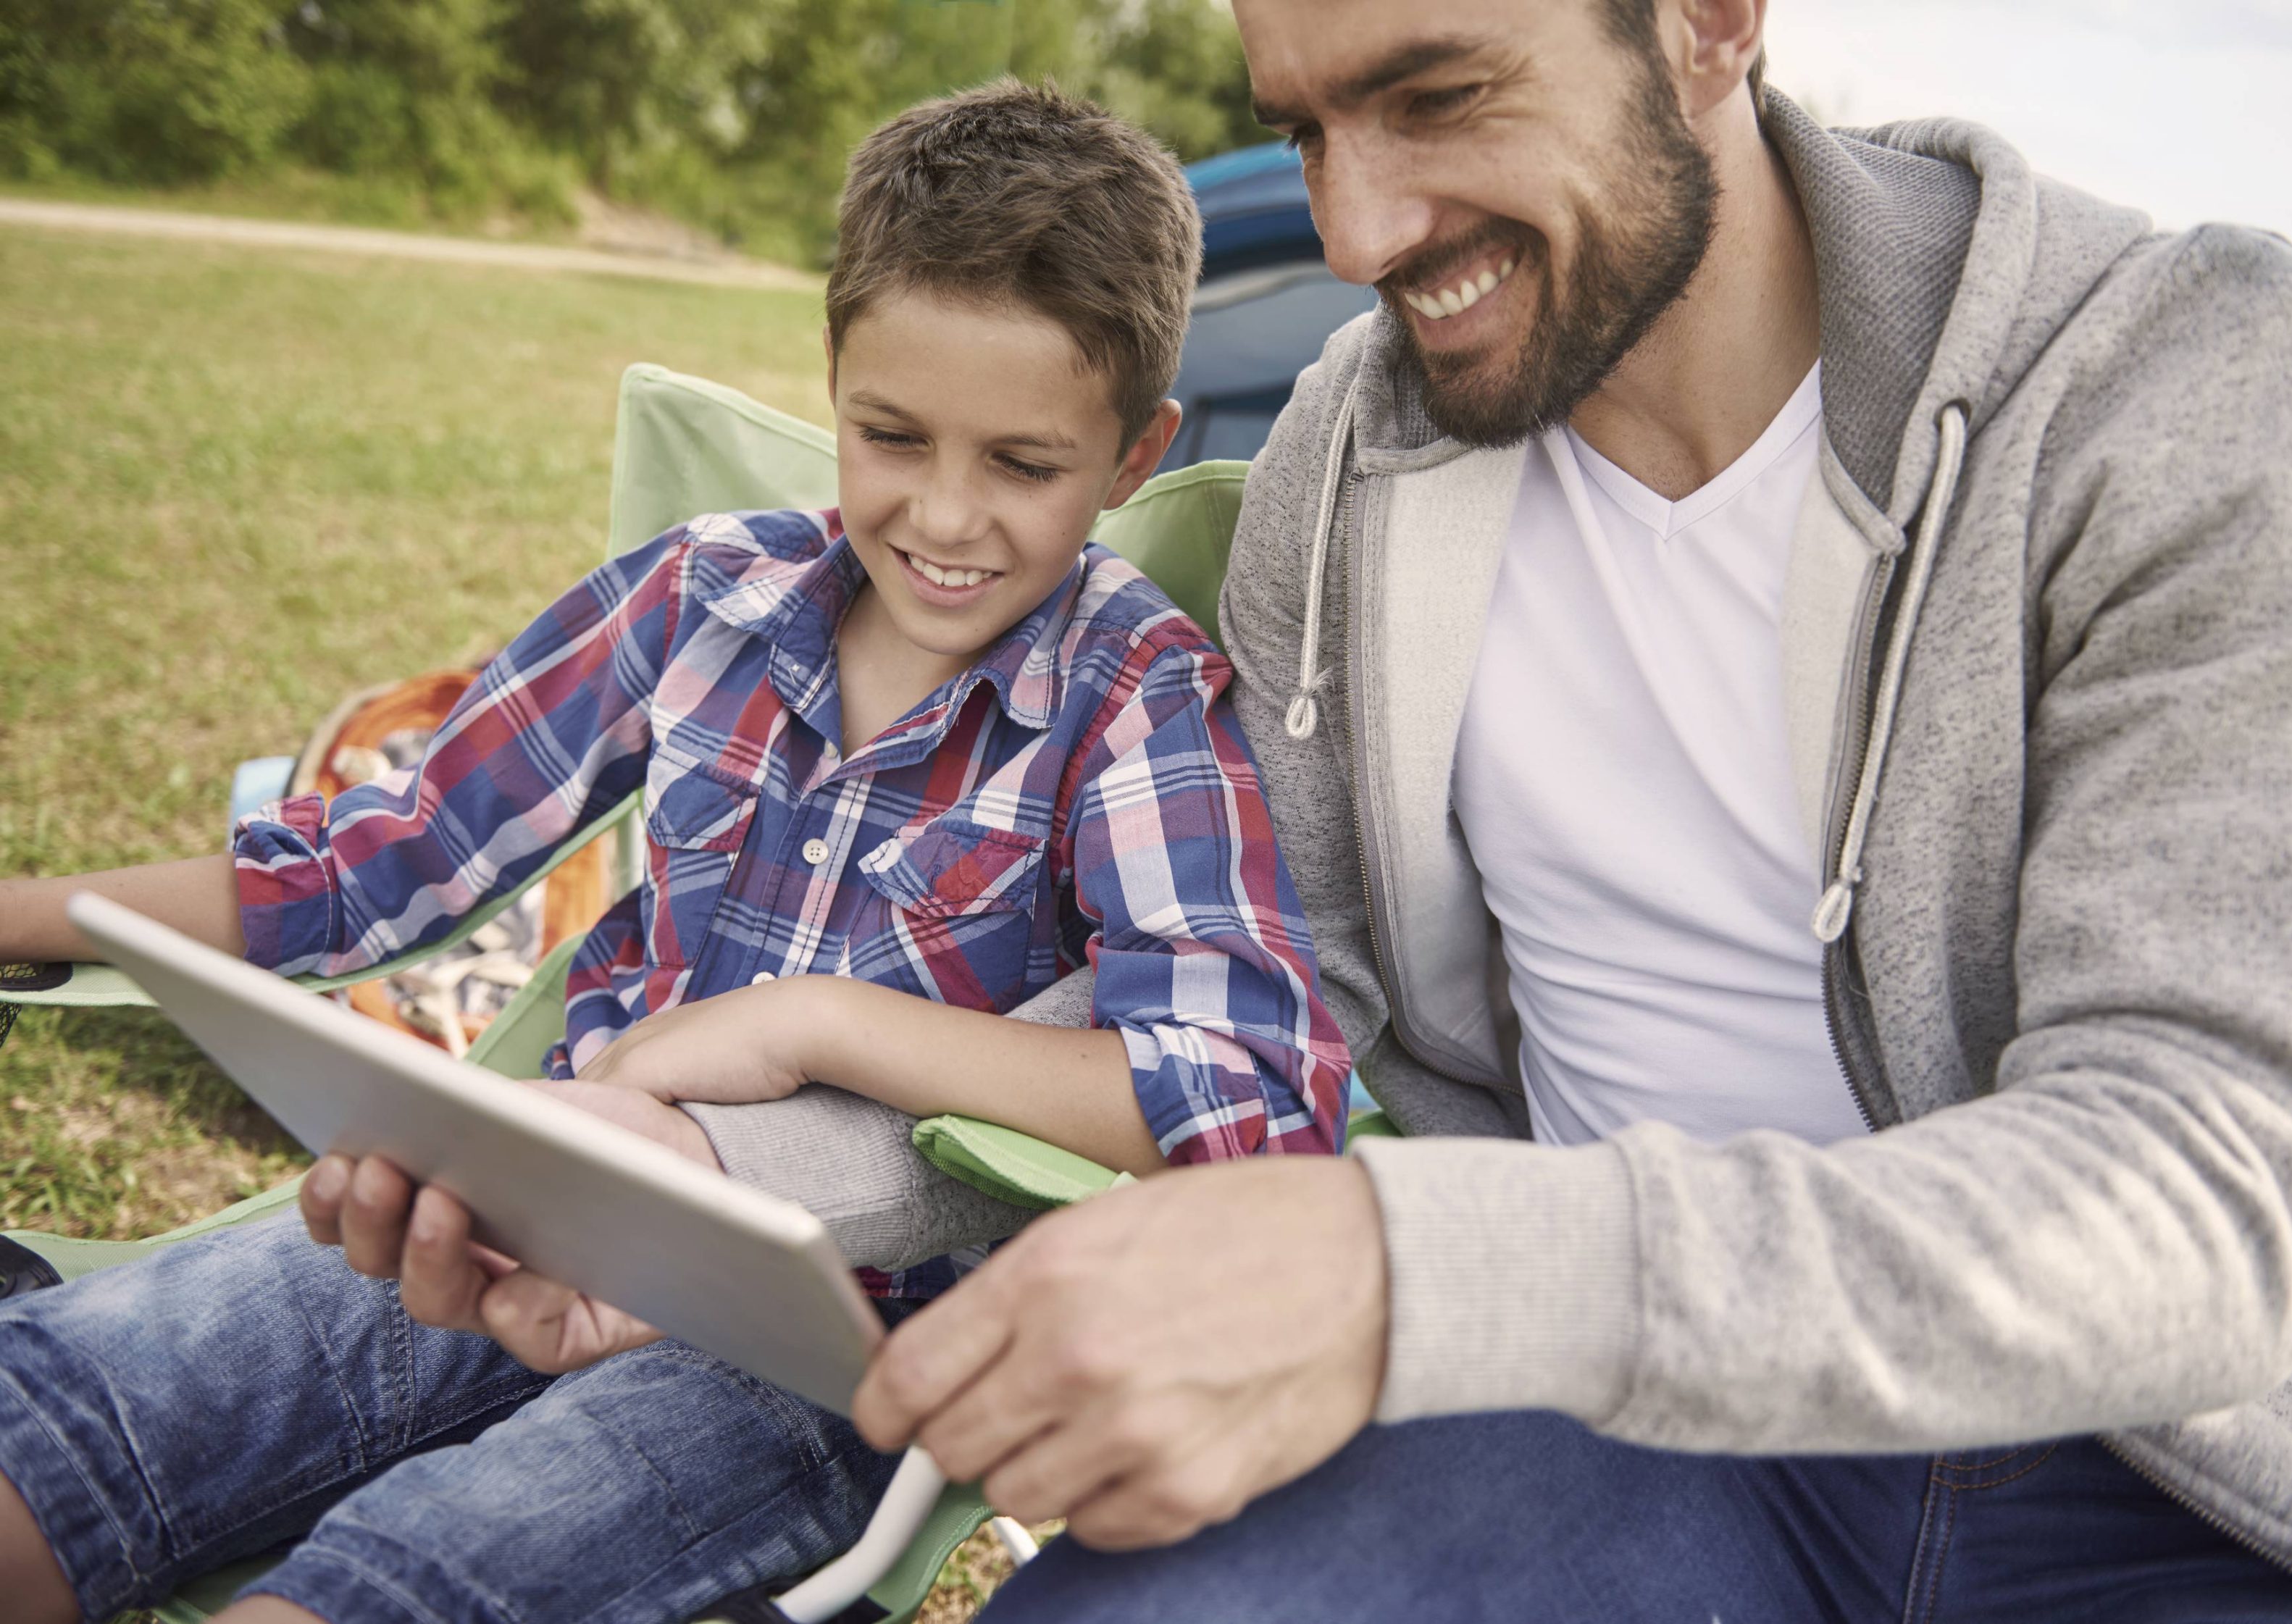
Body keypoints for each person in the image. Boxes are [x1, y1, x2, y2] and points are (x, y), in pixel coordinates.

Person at [193, 1, 2292, 1618]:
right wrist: (707, 1189)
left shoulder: (2187, 378)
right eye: (1306, 119)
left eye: (1437, 95)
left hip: (2166, 1499)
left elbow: (2217, 1178)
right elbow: (1256, 1043)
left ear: (1717, 22)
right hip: (1589, 1453)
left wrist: (1397, 1267)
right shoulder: (1365, 457)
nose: (1357, 224)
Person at [0, 81, 1351, 1624]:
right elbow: (375, 860)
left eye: (1023, 464)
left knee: (397, 1587)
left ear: (1133, 454)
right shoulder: (700, 597)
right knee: (73, 1423)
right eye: (891, 434)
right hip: (535, 1198)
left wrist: (819, 1024)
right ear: (834, 378)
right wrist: (32, 909)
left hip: (814, 1352)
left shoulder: (1132, 700)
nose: (944, 515)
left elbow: (1249, 1092)